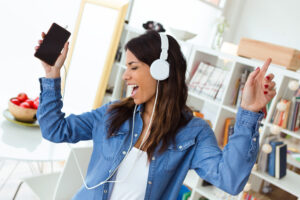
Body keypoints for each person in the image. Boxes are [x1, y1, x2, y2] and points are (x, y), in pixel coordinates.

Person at [35, 30, 276, 200]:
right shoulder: (112, 113)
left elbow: (230, 181)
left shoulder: (194, 133)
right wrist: (52, 74)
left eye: (134, 67)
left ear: (162, 70)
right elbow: (55, 130)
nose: (125, 76)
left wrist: (248, 114)